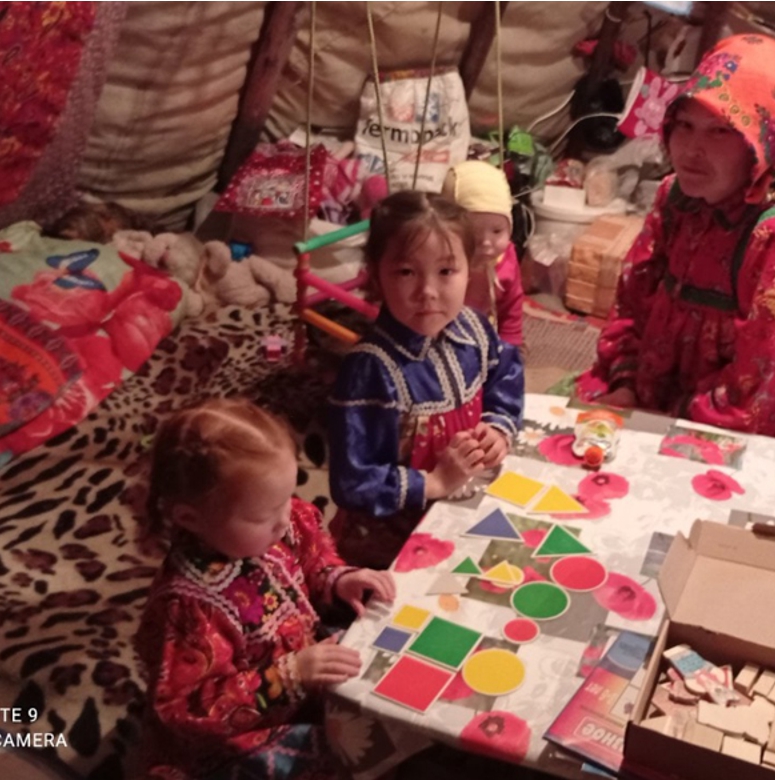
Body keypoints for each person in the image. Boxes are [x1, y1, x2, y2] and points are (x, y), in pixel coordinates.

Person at [577, 34, 775, 451]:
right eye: (685, 126)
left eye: (720, 131)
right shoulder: (676, 198)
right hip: (647, 403)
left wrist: (661, 424)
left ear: (764, 142)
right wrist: (625, 383)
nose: (692, 150)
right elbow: (633, 301)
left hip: (737, 439)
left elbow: (761, 398)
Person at [135, 398, 395, 780]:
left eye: (287, 499)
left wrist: (337, 579)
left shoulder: (276, 524)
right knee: (341, 751)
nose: (285, 519)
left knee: (383, 655)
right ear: (191, 518)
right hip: (240, 734)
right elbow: (184, 708)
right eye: (263, 515)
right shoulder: (189, 607)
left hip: (305, 665)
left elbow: (313, 558)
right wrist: (289, 675)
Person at [328, 191, 524, 568]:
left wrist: (498, 428)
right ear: (376, 274)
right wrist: (433, 482)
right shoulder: (371, 370)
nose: (428, 292)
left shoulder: (474, 329)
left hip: (460, 514)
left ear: (471, 268)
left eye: (446, 271)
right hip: (388, 546)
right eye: (406, 272)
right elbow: (353, 480)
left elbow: (505, 373)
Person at [442, 159, 525, 351]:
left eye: (497, 231)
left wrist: (510, 343)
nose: (486, 242)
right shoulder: (441, 260)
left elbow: (512, 305)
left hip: (485, 331)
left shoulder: (506, 258)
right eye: (474, 233)